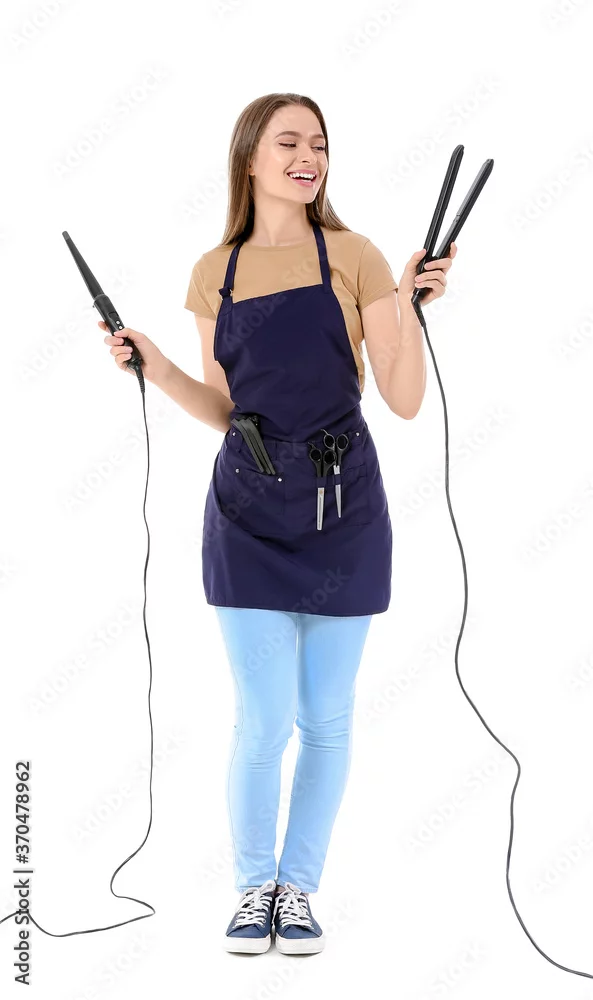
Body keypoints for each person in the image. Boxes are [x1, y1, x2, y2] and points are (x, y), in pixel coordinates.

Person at [101, 92, 455, 956]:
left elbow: (403, 400)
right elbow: (226, 410)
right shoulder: (212, 272)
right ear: (249, 158)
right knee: (261, 719)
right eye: (289, 141)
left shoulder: (356, 255)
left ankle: (297, 892)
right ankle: (252, 887)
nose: (309, 157)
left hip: (344, 510)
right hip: (247, 513)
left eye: (320, 144)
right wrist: (155, 367)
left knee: (325, 718)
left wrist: (407, 309)